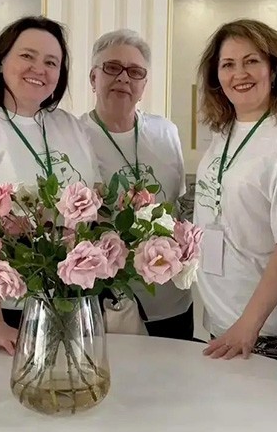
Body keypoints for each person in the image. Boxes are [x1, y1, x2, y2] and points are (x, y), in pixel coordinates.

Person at [0, 16, 100, 354]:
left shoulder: (71, 127)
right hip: (1, 310)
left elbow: (94, 207)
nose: (39, 69)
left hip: (69, 296)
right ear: (1, 61)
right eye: (27, 56)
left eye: (51, 62)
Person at [193, 19, 277, 361]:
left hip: (263, 332)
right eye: (228, 65)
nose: (239, 73)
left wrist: (249, 324)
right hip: (220, 322)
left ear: (274, 70)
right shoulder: (224, 131)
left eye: (251, 61)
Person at [80, 29, 192, 340]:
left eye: (135, 72)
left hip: (168, 298)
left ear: (143, 85)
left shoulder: (165, 132)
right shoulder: (73, 135)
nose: (123, 78)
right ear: (93, 78)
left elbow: (177, 206)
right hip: (102, 298)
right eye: (112, 67)